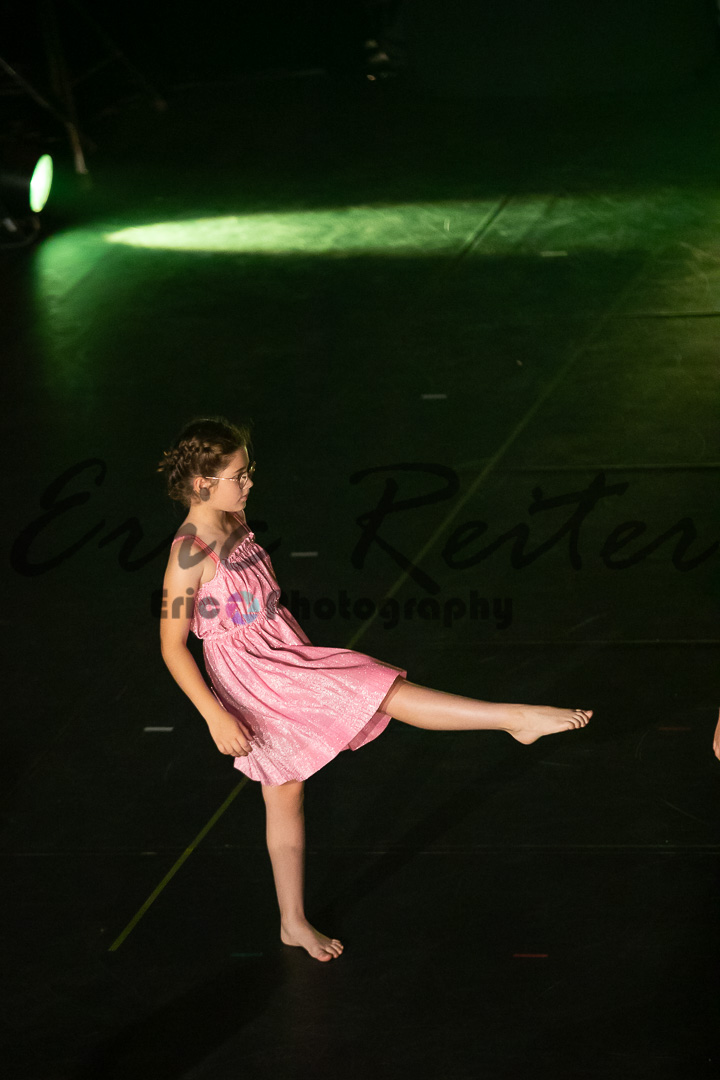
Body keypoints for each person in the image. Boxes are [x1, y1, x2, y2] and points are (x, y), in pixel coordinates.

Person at [157, 416, 593, 963]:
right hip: (253, 674)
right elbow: (172, 645)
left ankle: (291, 921)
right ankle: (514, 719)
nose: (249, 483)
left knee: (287, 787)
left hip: (281, 649)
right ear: (202, 483)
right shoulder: (189, 552)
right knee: (372, 687)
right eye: (238, 476)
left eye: (248, 471)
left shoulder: (233, 517)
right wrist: (214, 715)